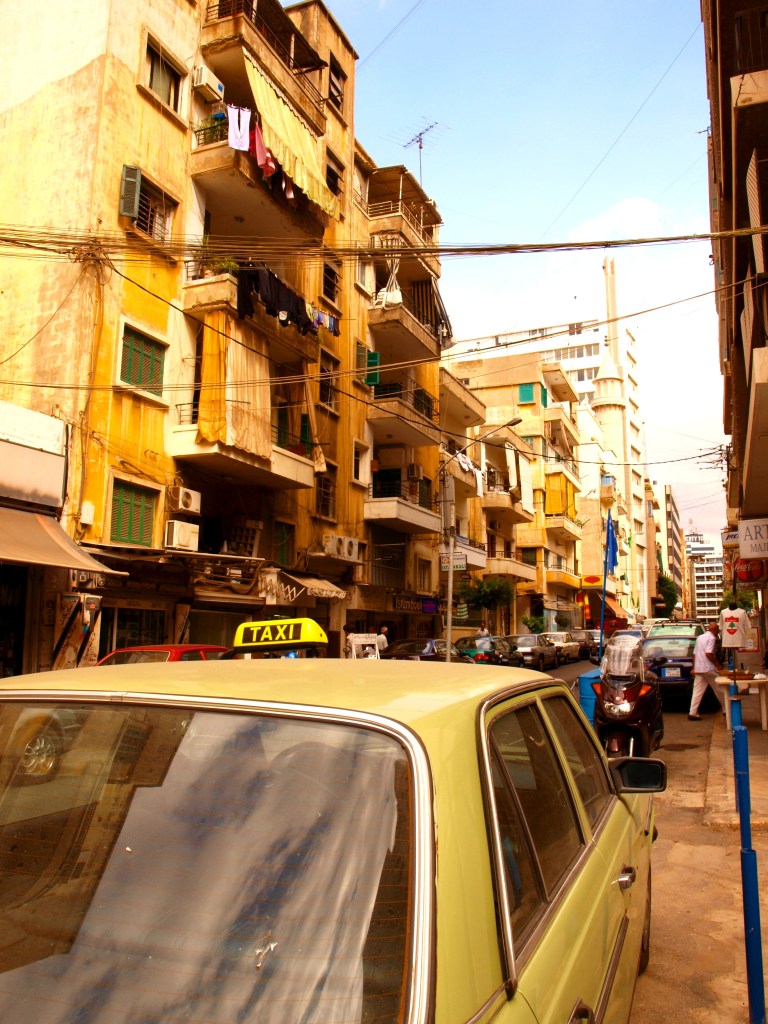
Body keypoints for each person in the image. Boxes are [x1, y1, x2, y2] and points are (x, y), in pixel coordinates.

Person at [689, 621, 723, 721]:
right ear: (715, 630)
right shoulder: (712, 638)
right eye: (718, 630)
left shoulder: (700, 637)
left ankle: (693, 712)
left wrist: (694, 668)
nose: (718, 632)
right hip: (708, 668)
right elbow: (708, 653)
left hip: (699, 668)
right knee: (720, 689)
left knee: (697, 691)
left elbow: (694, 654)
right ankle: (726, 709)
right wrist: (717, 664)